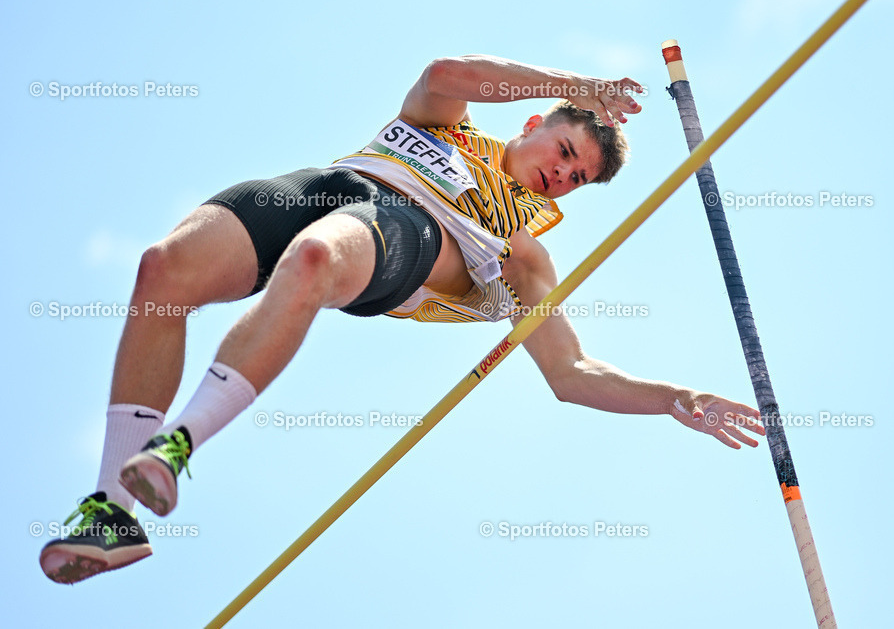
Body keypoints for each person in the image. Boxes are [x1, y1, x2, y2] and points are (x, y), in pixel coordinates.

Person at [39, 54, 765, 584]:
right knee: (162, 270)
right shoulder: (446, 124)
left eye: (577, 179)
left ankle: (177, 445)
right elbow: (445, 72)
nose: (562, 174)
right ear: (535, 121)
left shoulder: (523, 252)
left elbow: (571, 372)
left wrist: (678, 398)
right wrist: (575, 83)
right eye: (566, 151)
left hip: (406, 236)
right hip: (330, 185)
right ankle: (110, 512)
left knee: (317, 258)